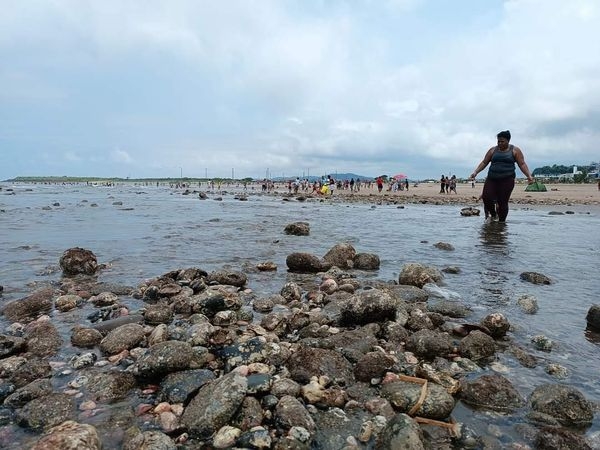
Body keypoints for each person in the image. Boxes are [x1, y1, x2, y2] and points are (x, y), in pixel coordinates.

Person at [470, 130, 534, 222]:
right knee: (486, 197)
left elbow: (522, 164)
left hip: (507, 180)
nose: (499, 143)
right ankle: (493, 214)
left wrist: (529, 175)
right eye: (498, 141)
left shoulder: (515, 150)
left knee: (502, 202)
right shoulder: (493, 150)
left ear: (508, 141)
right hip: (492, 179)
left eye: (502, 141)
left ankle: (502, 222)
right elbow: (484, 162)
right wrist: (475, 172)